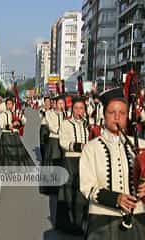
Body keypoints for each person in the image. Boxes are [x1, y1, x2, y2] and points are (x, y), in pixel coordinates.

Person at [80, 88, 145, 240]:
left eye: (122, 113)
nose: (117, 117)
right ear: (104, 116)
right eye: (112, 113)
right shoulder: (91, 148)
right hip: (101, 219)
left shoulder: (140, 145)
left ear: (127, 117)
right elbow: (87, 187)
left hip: (136, 217)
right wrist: (116, 199)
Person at [56, 97, 89, 234]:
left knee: (84, 192)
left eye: (81, 108)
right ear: (72, 109)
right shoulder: (66, 123)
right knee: (69, 191)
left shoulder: (89, 124)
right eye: (76, 108)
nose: (79, 111)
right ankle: (70, 223)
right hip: (70, 160)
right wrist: (78, 146)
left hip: (85, 161)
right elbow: (63, 142)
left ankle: (83, 221)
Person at [0, 97, 33, 166]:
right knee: (7, 154)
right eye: (8, 104)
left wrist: (19, 122)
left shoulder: (17, 113)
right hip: (6, 135)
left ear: (13, 105)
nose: (9, 105)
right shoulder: (3, 114)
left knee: (16, 153)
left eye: (10, 104)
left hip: (15, 135)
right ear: (6, 105)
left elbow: (24, 120)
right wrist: (8, 126)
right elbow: (0, 124)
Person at [39, 96, 51, 163]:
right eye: (46, 101)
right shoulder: (42, 109)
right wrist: (46, 110)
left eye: (48, 101)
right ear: (44, 102)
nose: (47, 103)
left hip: (50, 127)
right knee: (42, 143)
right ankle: (43, 158)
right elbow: (41, 116)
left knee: (49, 143)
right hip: (43, 127)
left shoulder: (52, 109)